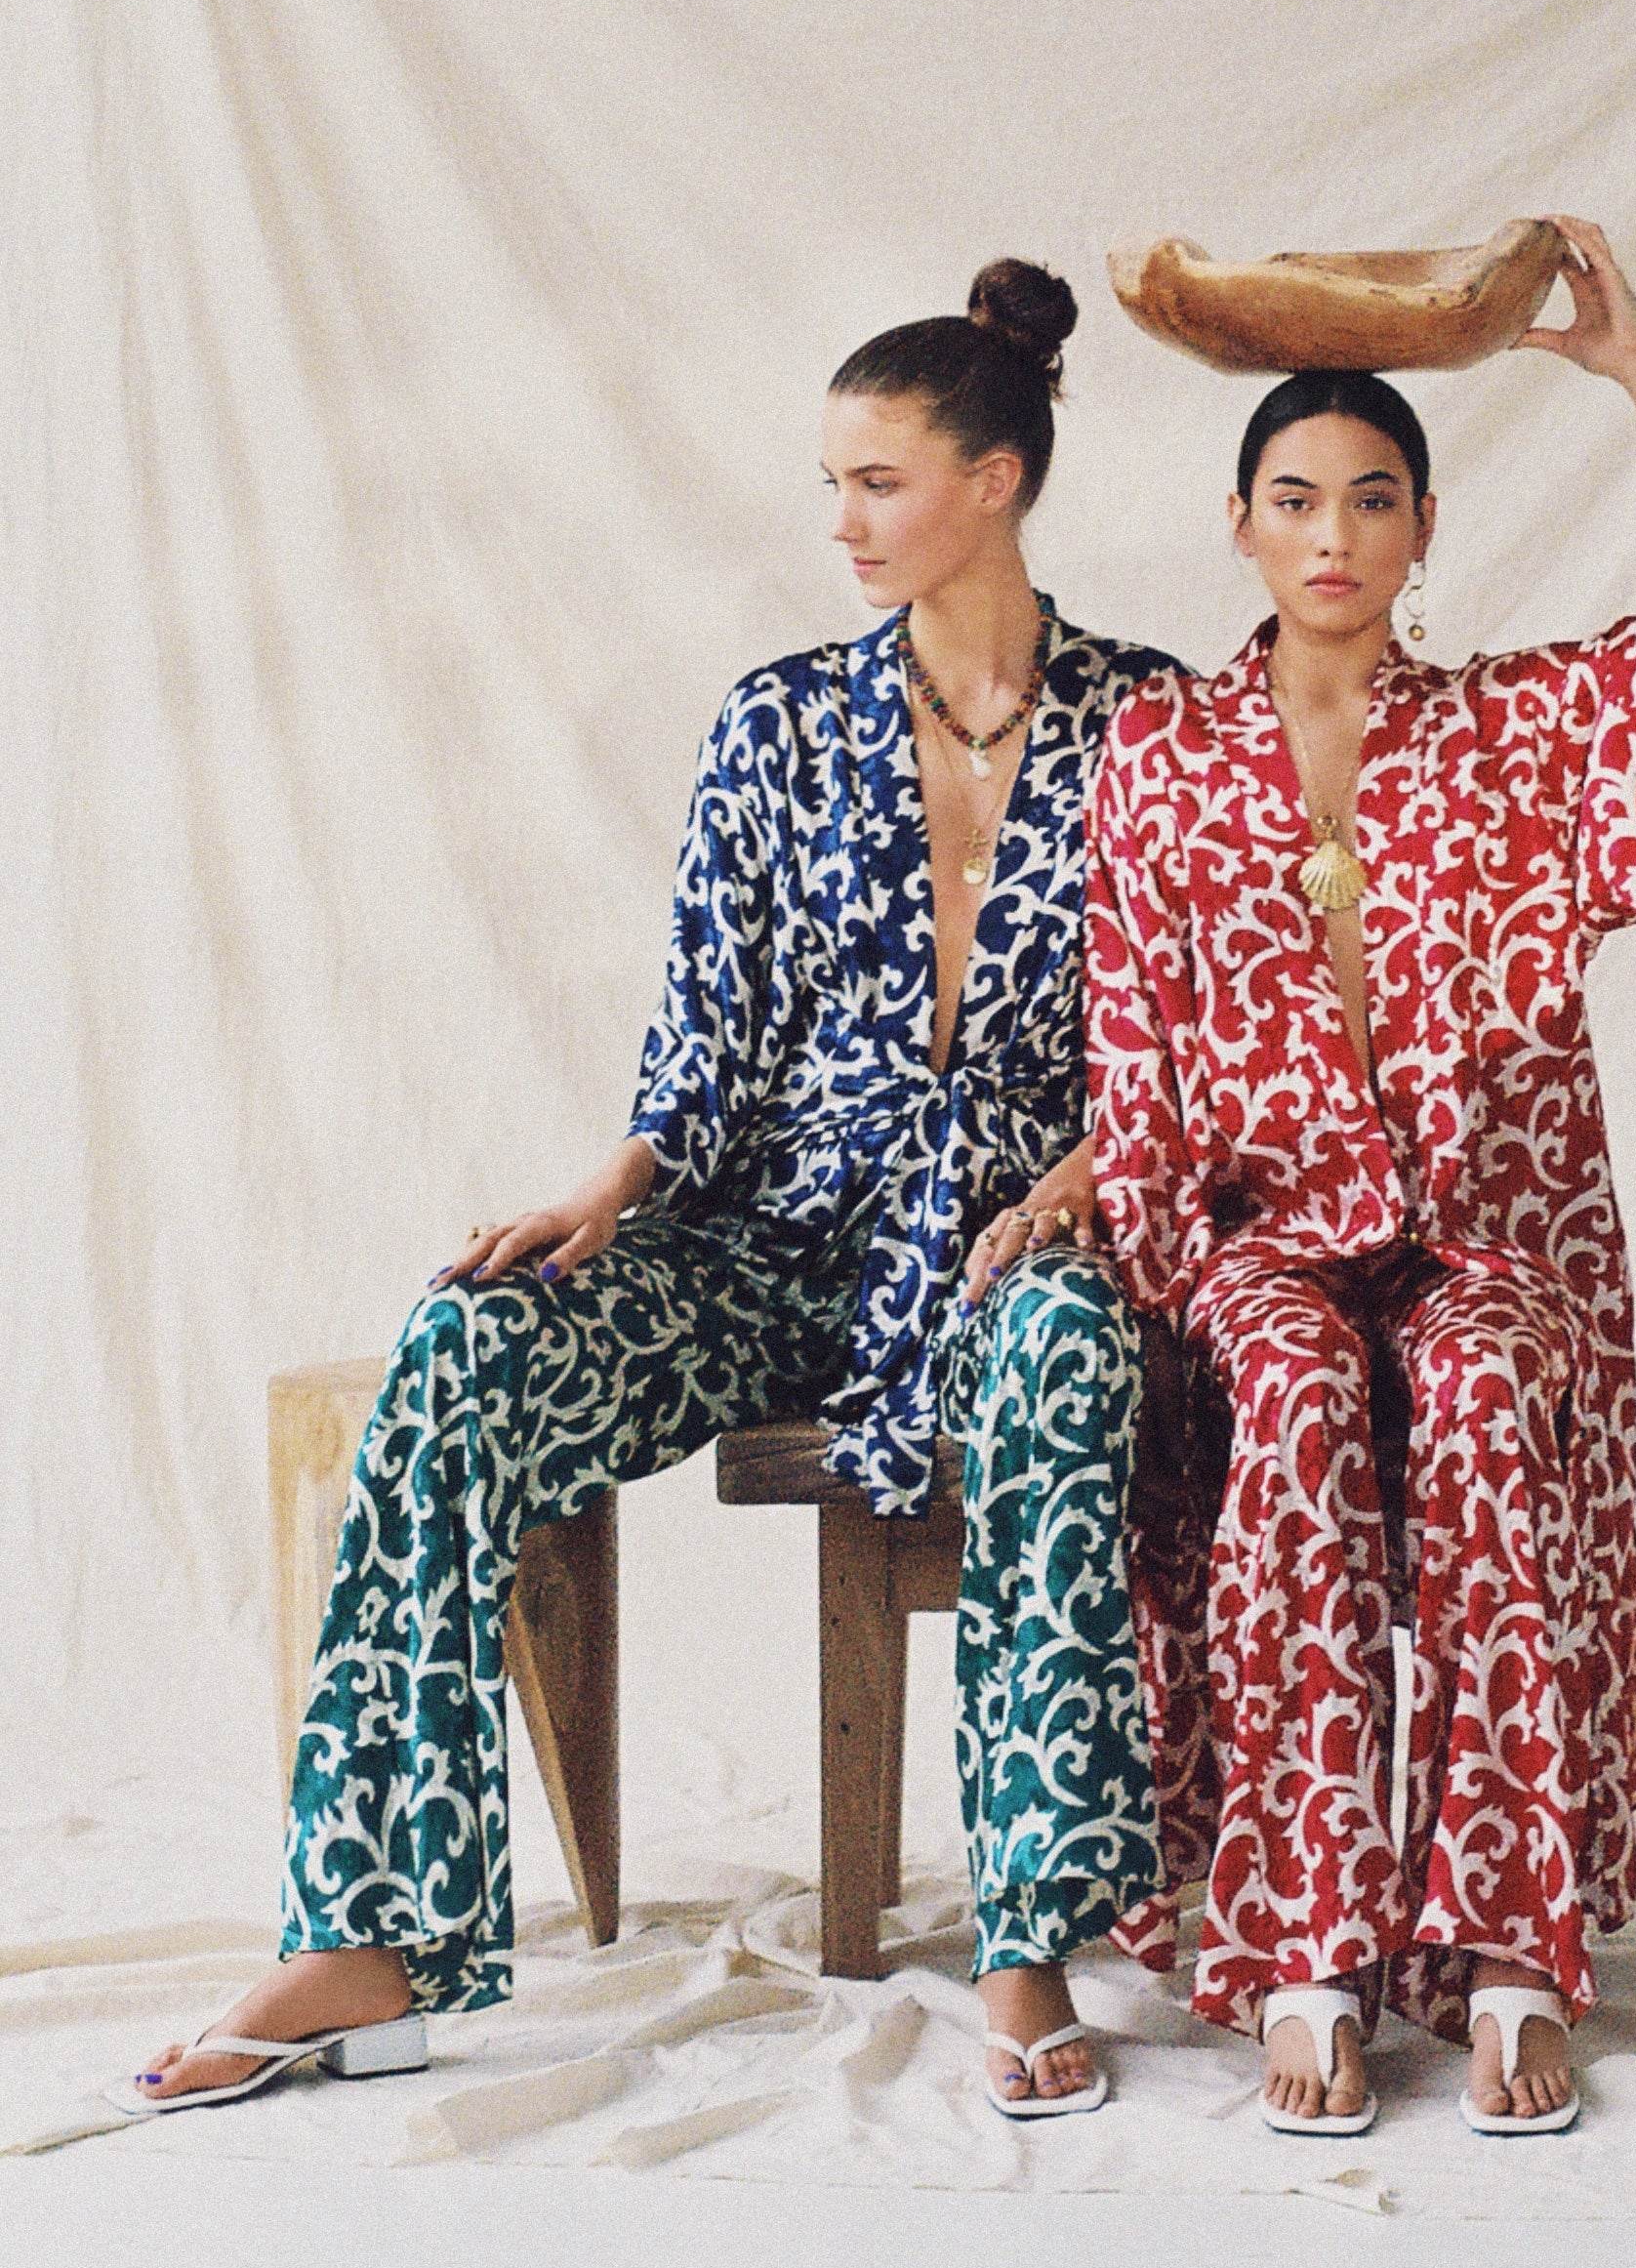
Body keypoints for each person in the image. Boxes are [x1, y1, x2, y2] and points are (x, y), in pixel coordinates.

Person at [123, 263, 1180, 2124]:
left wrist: (1087, 1179)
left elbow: (1202, 1030)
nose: (838, 520)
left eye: (876, 479)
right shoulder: (773, 725)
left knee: (1067, 1358)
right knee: (464, 1344)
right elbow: (705, 1039)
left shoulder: (1163, 730)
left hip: (1034, 1229)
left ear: (997, 478)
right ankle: (366, 1934)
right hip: (779, 1235)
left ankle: (1026, 1932)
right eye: (829, 483)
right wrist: (610, 1184)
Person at [1087, 220, 1636, 2137]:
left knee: (1480, 1399)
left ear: (1420, 532)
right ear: (1238, 523)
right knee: (1302, 1404)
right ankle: (1304, 1949)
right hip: (1262, 1251)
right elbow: (1130, 1046)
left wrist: (1633, 361)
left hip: (1479, 1237)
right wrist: (1144, 1284)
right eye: (1294, 497)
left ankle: (1509, 1950)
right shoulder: (1155, 753)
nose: (1331, 534)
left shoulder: (1506, 730)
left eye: (1372, 499)